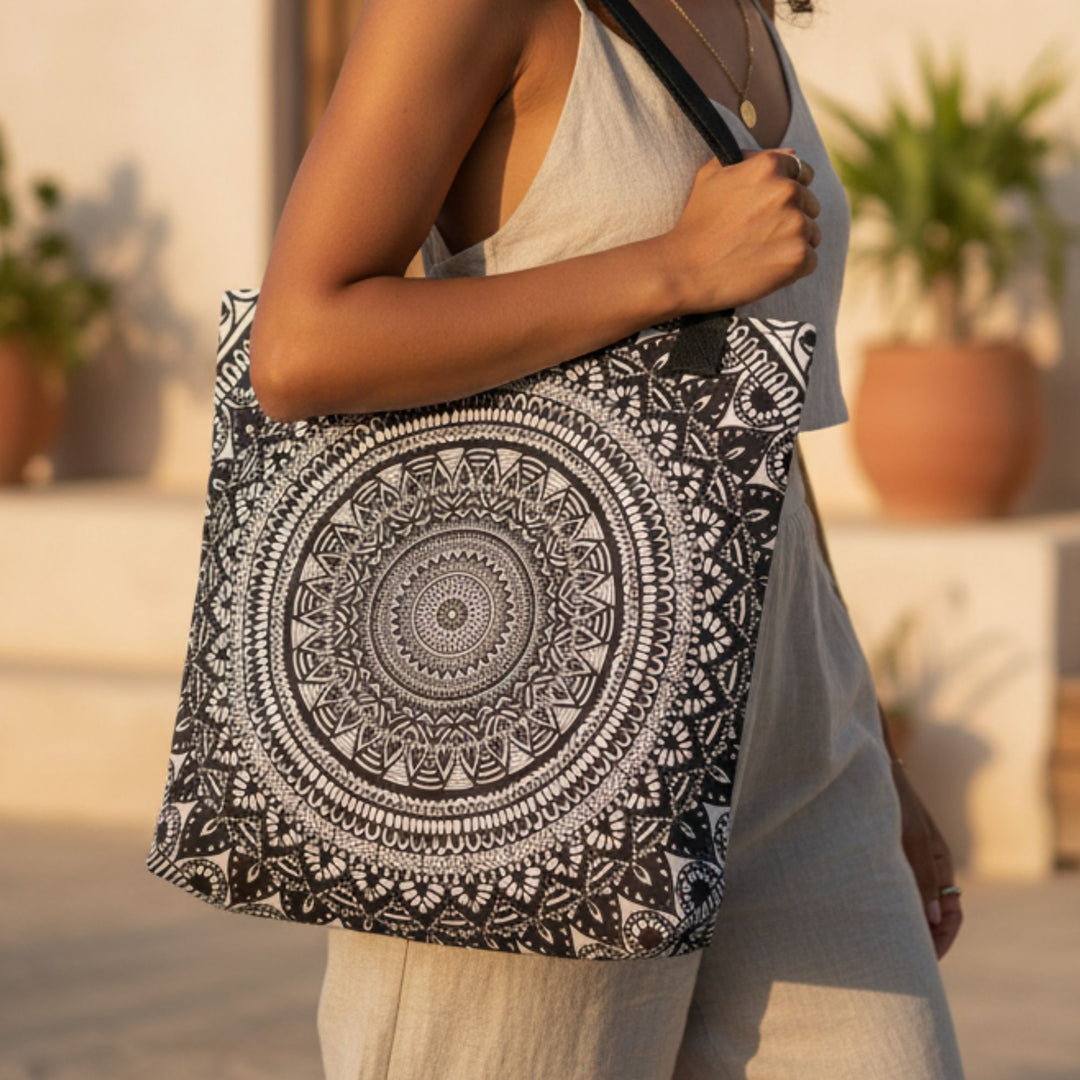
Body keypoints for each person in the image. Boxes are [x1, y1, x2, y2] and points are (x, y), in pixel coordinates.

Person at [248, 0, 967, 1076]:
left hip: (796, 741)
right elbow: (301, 345)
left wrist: (871, 741)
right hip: (542, 722)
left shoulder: (742, 14)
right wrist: (676, 269)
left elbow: (747, 421)